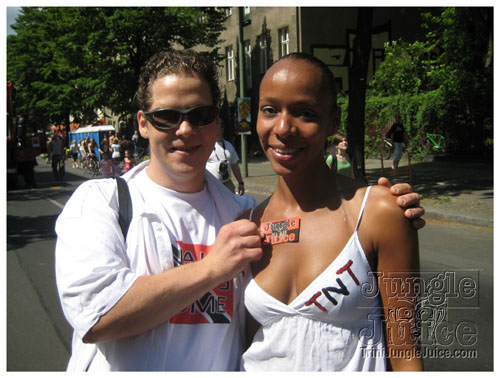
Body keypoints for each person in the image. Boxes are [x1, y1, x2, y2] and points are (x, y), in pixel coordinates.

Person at [55, 50, 424, 372]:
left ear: (217, 123)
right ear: (142, 123)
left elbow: (405, 352)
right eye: (167, 116)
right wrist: (212, 268)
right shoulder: (102, 203)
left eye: (200, 115)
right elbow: (97, 316)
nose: (185, 129)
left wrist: (392, 208)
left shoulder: (244, 215)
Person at [240, 53, 422, 371]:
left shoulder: (377, 213)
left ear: (333, 121)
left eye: (305, 113)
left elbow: (406, 354)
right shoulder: (248, 222)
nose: (282, 128)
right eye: (269, 110)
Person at [206, 128, 245, 195]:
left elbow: (235, 165)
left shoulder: (228, 145)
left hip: (227, 184)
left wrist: (240, 182)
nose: (216, 131)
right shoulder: (206, 145)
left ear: (222, 130)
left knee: (232, 204)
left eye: (218, 128)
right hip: (210, 185)